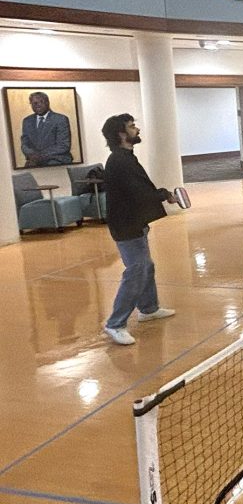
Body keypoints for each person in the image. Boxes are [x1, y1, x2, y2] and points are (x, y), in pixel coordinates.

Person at [100, 114, 177, 345]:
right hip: (125, 225)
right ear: (122, 134)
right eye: (132, 127)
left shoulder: (126, 157)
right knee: (137, 269)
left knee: (146, 265)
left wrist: (161, 195)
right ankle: (115, 324)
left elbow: (140, 190)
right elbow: (139, 192)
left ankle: (149, 309)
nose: (137, 129)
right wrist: (164, 194)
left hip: (134, 222)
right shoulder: (119, 161)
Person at [21, 91, 73, 167]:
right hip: (35, 161)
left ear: (47, 102)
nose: (38, 105)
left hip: (57, 159)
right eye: (34, 103)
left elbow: (63, 146)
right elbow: (25, 144)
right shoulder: (27, 121)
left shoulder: (60, 119)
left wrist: (40, 156)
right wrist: (31, 154)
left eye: (41, 102)